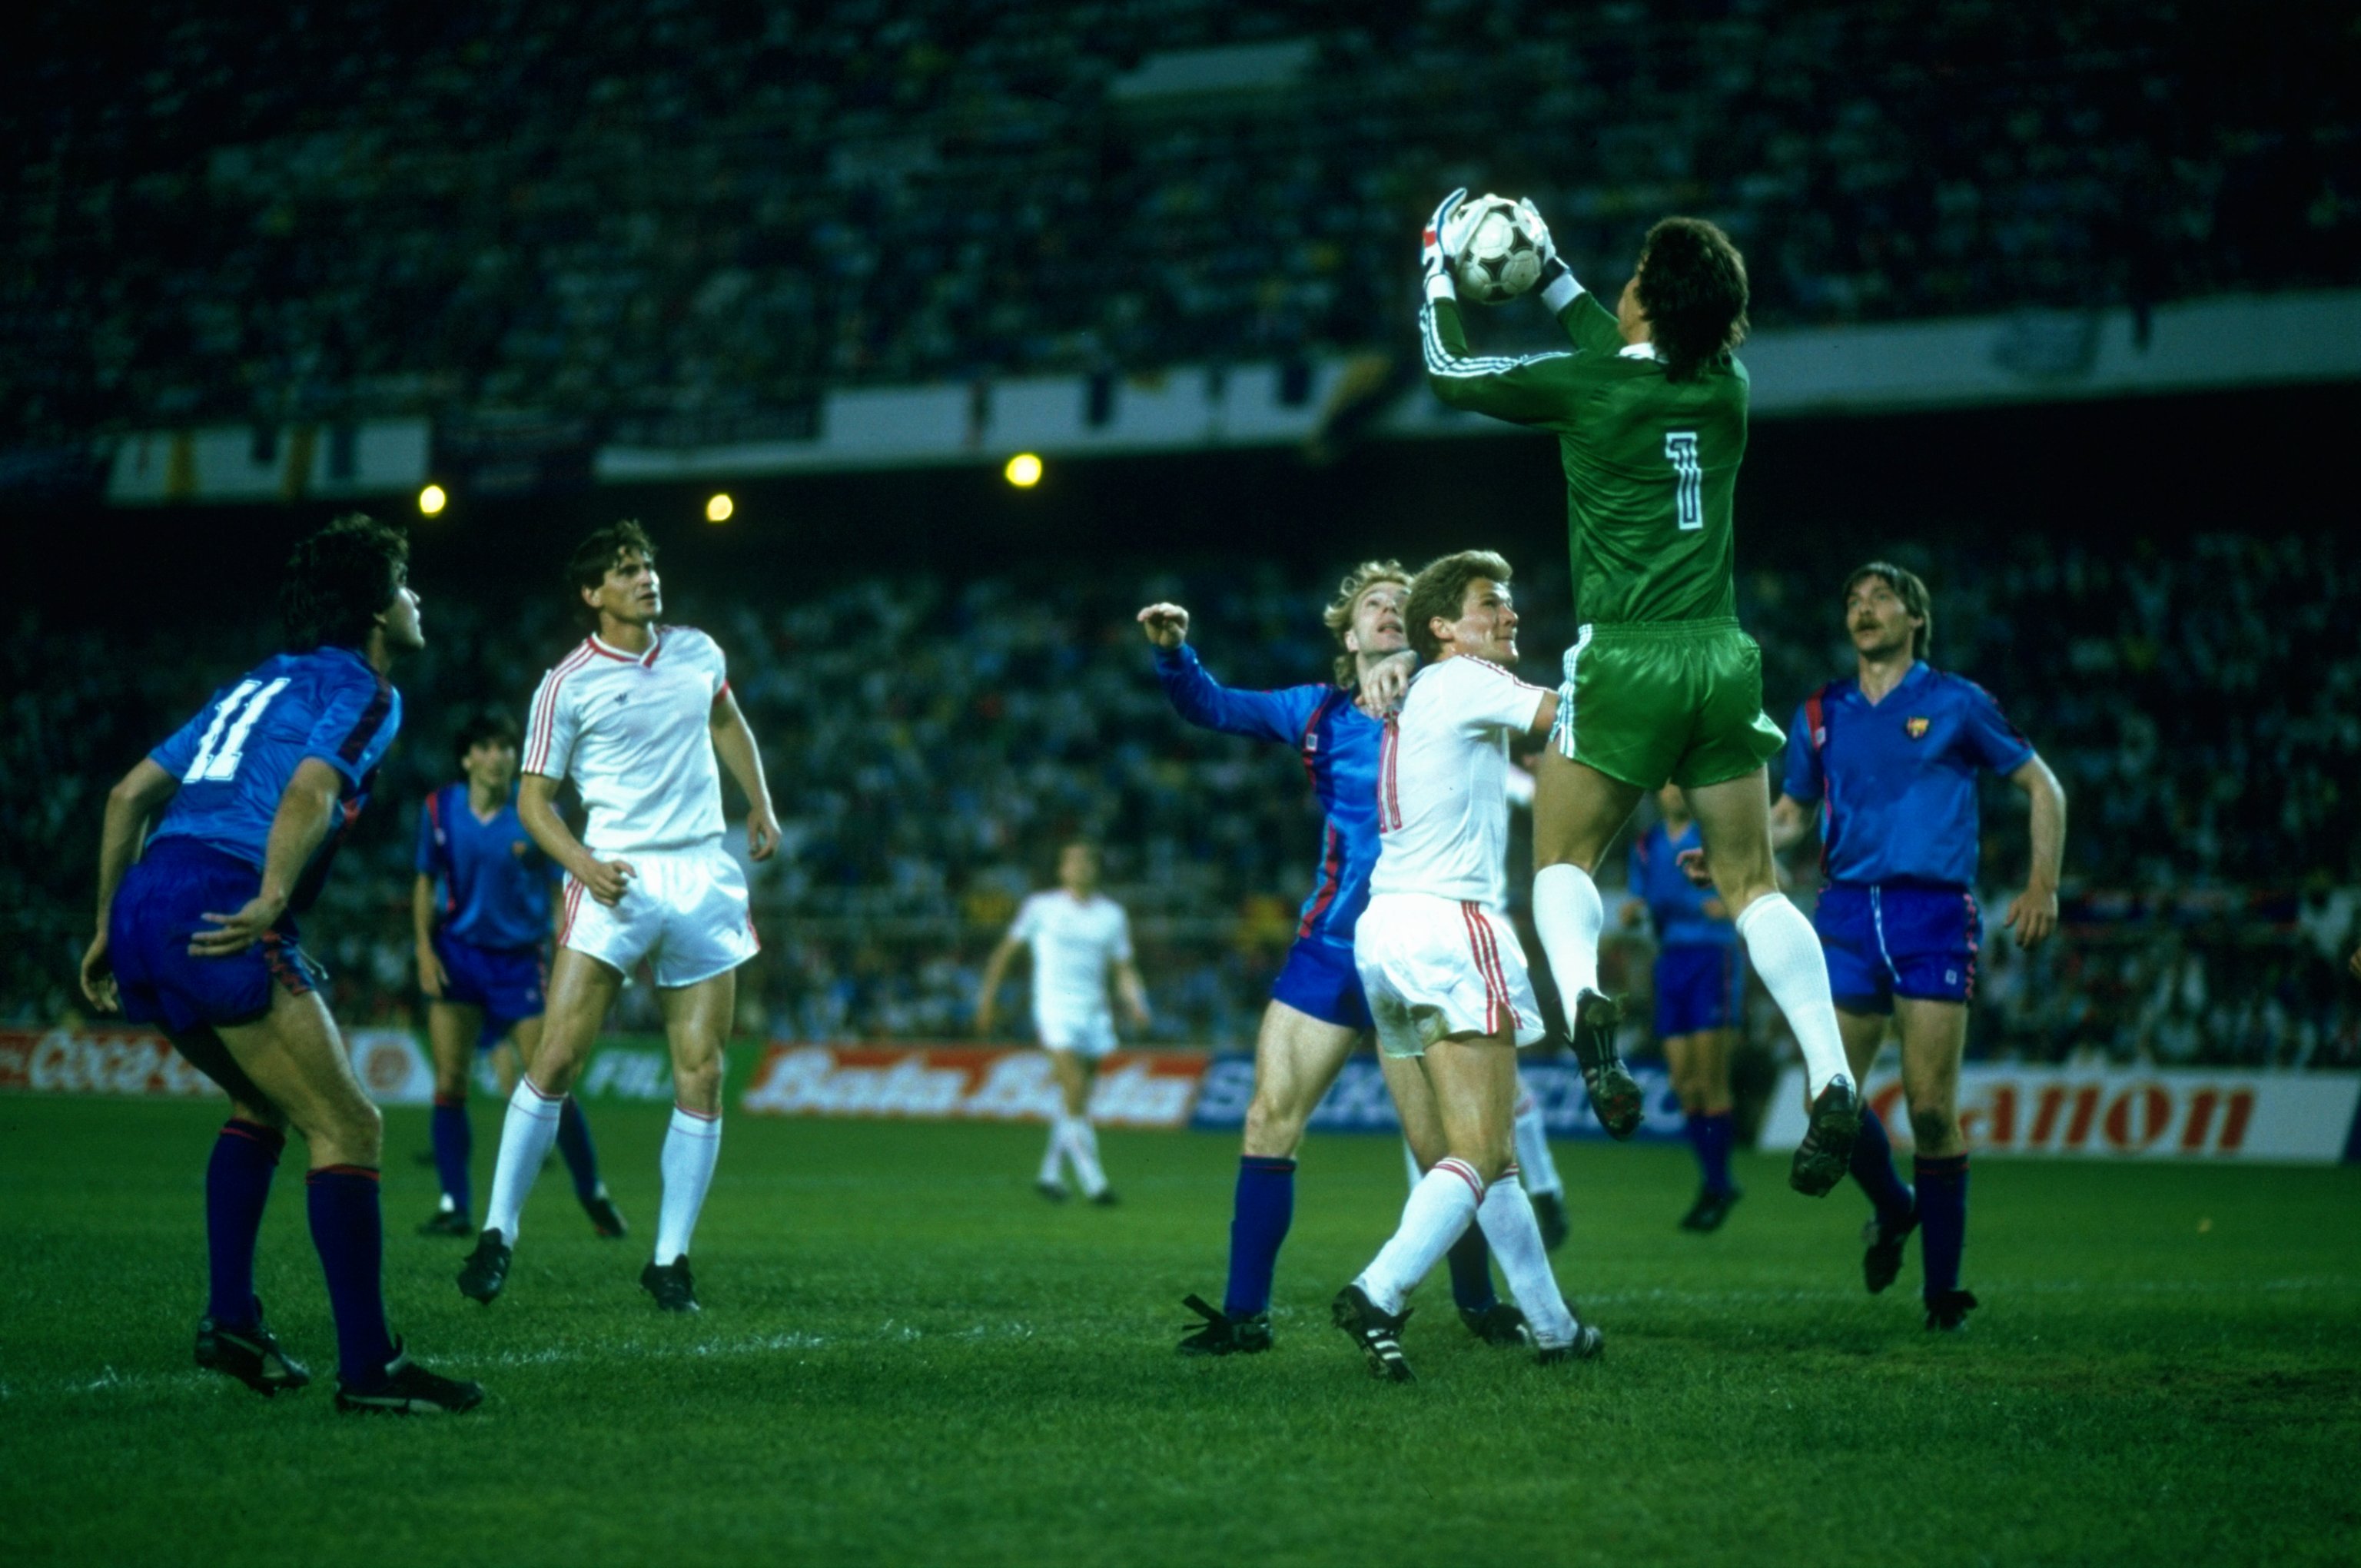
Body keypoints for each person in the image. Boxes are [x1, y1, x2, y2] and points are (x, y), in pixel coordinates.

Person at [1413, 189, 1861, 1195]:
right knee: (1754, 885)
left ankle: (1586, 1012)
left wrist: (1442, 263)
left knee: (1564, 858)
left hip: (1624, 655)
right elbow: (1629, 345)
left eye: (1629, 284)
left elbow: (1449, 374)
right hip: (1720, 654)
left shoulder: (1587, 389)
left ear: (1648, 305)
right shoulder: (1729, 386)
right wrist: (1555, 267)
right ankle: (1833, 1072)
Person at [80, 514, 481, 1414]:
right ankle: (369, 1368)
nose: (417, 600)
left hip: (151, 897)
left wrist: (109, 923)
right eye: (406, 585)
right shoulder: (368, 690)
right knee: (351, 1126)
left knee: (259, 1104)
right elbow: (311, 788)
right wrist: (269, 896)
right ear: (378, 609)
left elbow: (128, 793)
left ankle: (231, 1320)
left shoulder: (259, 679)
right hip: (221, 899)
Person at [1140, 570, 1562, 1358]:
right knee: (1269, 1118)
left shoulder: (1455, 694)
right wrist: (1175, 655)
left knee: (1450, 1147)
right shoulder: (1318, 712)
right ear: (1349, 634)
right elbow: (1213, 707)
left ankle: (1477, 1300)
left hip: (1423, 948)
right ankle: (1246, 1316)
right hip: (1333, 950)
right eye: (1374, 601)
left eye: (1405, 598)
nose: (1390, 607)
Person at [458, 520, 779, 1314]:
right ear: (592, 594)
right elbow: (533, 802)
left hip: (703, 870)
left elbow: (725, 720)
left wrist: (761, 804)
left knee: (703, 1071)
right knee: (560, 1054)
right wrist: (584, 865)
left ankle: (670, 1262)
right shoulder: (566, 684)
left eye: (648, 564)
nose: (645, 578)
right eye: (626, 570)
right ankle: (498, 1231)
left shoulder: (699, 652)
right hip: (617, 876)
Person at [1771, 562, 2065, 1331]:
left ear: (1916, 617)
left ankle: (1943, 1295)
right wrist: (1731, 853)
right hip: (1842, 912)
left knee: (1933, 1111)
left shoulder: (1958, 703)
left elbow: (2045, 787)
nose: (1863, 610)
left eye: (1880, 599)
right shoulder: (1820, 712)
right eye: (1852, 601)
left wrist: (2043, 887)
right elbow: (1789, 817)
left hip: (1930, 914)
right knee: (1823, 1098)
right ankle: (1895, 1206)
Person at [1333, 550, 1603, 1383]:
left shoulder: (1421, 687)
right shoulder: (1463, 678)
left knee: (1480, 1159)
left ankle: (1554, 1327)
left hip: (1384, 934)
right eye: (1493, 602)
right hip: (1454, 924)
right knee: (1481, 1154)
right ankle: (1378, 1291)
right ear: (1445, 626)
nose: (1511, 613)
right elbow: (1576, 721)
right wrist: (1611, 658)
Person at [413, 708, 623, 1241]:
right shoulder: (439, 810)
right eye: (486, 746)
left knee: (551, 1077)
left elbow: (561, 888)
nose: (499, 755)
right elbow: (424, 880)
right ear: (467, 758)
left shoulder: (536, 813)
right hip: (458, 954)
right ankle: (454, 1204)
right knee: (450, 1081)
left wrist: (565, 954)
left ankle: (592, 1192)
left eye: (507, 746)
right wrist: (422, 948)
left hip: (518, 961)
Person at [975, 842, 1150, 1204]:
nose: (1081, 867)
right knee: (1072, 1085)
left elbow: (1123, 967)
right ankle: (1094, 1181)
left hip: (1094, 1012)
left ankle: (1050, 1174)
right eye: (1073, 861)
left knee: (1078, 1097)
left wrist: (1136, 1003)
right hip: (1054, 1008)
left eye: (1087, 861)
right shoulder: (1041, 907)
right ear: (1061, 869)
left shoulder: (1111, 915)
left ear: (1096, 869)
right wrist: (987, 999)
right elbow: (1006, 952)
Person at [1624, 783, 1745, 1230]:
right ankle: (1713, 1181)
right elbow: (1640, 899)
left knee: (1711, 1079)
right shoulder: (1646, 843)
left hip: (1714, 958)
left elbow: (1744, 888)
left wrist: (1727, 904)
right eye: (1666, 783)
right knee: (1685, 1082)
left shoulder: (1712, 834)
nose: (1672, 792)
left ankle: (1718, 1183)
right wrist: (1633, 911)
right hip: (1671, 960)